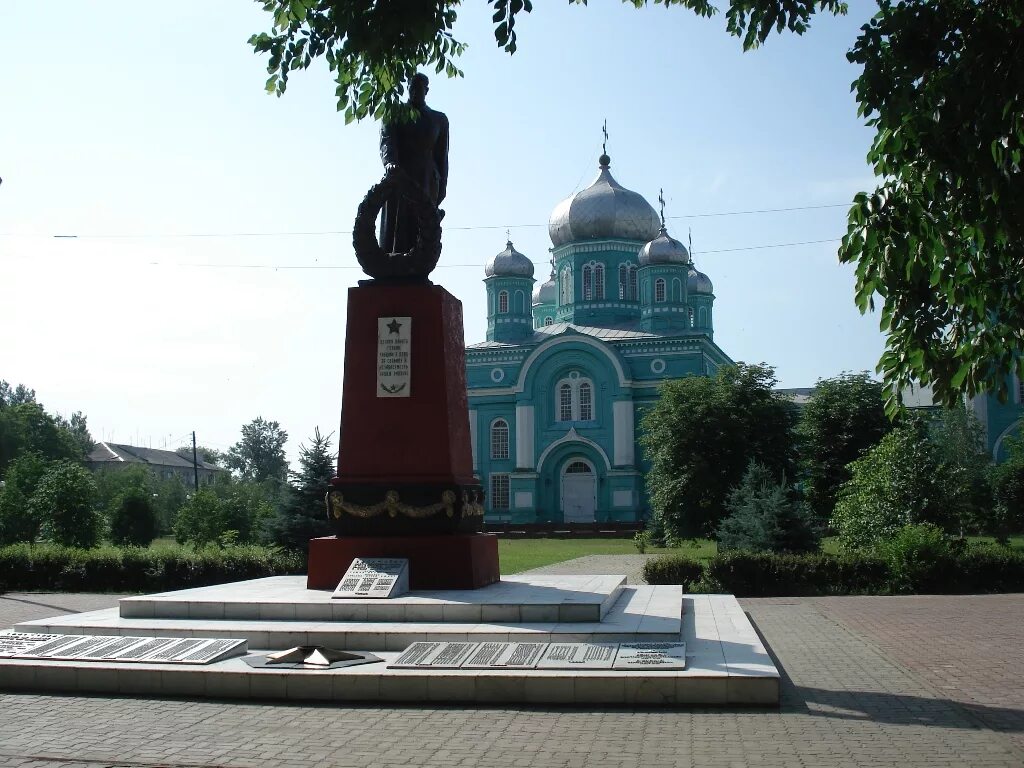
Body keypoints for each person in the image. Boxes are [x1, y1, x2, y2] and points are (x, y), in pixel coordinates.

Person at [378, 73, 449, 255]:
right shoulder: (394, 112)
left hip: (427, 178)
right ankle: (391, 264)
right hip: (400, 173)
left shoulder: (439, 119)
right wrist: (390, 163)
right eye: (412, 88)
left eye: (420, 88)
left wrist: (442, 188)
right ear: (407, 88)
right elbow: (387, 141)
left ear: (426, 90)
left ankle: (418, 264)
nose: (415, 92)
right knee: (398, 225)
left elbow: (442, 157)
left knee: (421, 226)